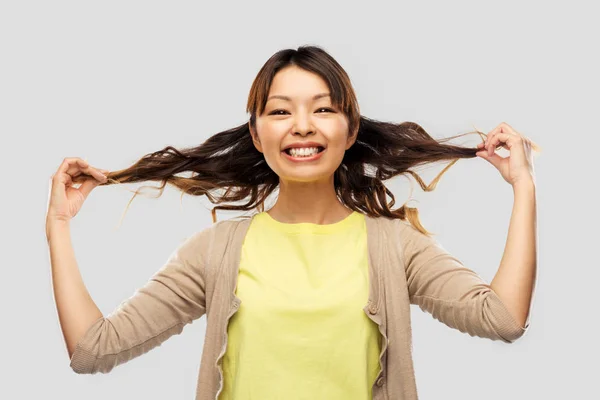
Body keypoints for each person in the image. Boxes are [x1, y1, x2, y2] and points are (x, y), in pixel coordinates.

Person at [46, 45, 538, 400]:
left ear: (350, 132)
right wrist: (59, 228)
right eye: (280, 111)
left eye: (324, 108)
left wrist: (523, 188)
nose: (303, 125)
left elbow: (503, 318)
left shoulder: (394, 247)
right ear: (258, 136)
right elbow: (93, 350)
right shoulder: (216, 251)